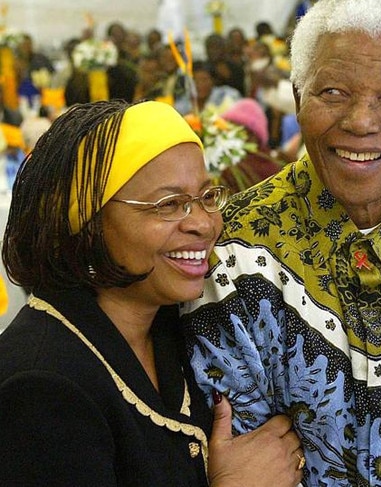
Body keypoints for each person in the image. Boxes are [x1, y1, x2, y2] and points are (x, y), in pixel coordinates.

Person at [183, 0, 381, 485]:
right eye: (332, 92)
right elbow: (242, 452)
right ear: (297, 97)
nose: (360, 121)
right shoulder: (232, 260)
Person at [0, 99, 304, 486]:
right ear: (91, 224)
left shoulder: (177, 323)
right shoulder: (40, 385)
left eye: (207, 197)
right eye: (168, 205)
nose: (203, 224)